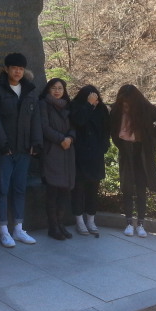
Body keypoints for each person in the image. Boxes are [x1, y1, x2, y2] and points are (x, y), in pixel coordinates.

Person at [0, 52, 43, 248]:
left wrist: (36, 142)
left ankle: (18, 228)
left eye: (21, 68)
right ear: (6, 69)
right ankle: (3, 230)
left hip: (24, 150)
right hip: (5, 150)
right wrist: (2, 144)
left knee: (20, 188)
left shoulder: (29, 91)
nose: (18, 72)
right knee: (3, 189)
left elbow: (35, 118)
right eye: (14, 68)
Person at [110, 84, 156, 238]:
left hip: (142, 151)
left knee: (141, 188)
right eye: (123, 103)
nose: (126, 107)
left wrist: (153, 141)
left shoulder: (145, 108)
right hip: (126, 150)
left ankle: (141, 223)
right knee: (127, 187)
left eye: (128, 104)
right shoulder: (116, 109)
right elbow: (112, 130)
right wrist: (120, 144)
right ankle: (129, 223)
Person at [69, 85, 110, 236]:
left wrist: (104, 146)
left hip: (96, 156)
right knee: (78, 189)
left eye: (95, 97)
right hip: (80, 155)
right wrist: (88, 105)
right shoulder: (75, 106)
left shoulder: (102, 109)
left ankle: (91, 220)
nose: (94, 100)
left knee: (93, 189)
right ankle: (79, 221)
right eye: (91, 97)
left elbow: (106, 129)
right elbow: (79, 121)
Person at [39, 78, 75, 241]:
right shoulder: (44, 104)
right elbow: (44, 127)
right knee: (53, 190)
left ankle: (60, 224)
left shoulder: (68, 105)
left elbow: (74, 126)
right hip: (52, 150)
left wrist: (70, 138)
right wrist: (61, 139)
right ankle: (53, 227)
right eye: (54, 88)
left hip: (68, 151)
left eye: (60, 88)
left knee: (64, 191)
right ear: (48, 89)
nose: (57, 91)